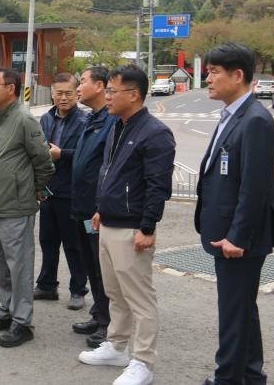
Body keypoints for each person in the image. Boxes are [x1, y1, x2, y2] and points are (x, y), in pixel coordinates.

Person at [78, 64, 175, 385]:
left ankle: (143, 362)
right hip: (108, 222)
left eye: (111, 91)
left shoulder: (155, 133)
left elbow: (157, 186)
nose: (106, 97)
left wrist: (147, 228)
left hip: (133, 229)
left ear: (133, 95)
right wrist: (100, 209)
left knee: (140, 299)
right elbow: (110, 173)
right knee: (114, 293)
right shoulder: (117, 125)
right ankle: (117, 345)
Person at [197, 43, 274, 385]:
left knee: (233, 311)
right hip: (228, 232)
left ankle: (227, 378)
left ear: (239, 75)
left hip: (239, 237)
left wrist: (237, 236)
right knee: (243, 307)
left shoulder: (256, 120)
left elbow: (254, 188)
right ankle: (250, 374)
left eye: (215, 72)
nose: (208, 79)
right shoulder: (232, 114)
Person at [0, 68, 54, 348]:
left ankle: (22, 321)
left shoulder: (23, 118)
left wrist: (36, 187)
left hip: (16, 206)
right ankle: (5, 309)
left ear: (11, 88)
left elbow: (43, 160)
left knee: (19, 267)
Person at [70, 66, 116, 348]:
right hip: (81, 207)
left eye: (82, 82)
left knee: (103, 269)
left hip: (96, 210)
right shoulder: (92, 118)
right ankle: (98, 313)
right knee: (89, 264)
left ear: (100, 86)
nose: (78, 87)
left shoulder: (110, 120)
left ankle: (109, 323)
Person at [35, 73, 89, 309]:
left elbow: (89, 156)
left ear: (77, 93)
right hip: (48, 190)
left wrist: (62, 154)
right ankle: (47, 285)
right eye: (59, 93)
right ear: (52, 93)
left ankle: (78, 289)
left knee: (73, 243)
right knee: (47, 240)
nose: (63, 97)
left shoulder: (85, 121)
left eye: (68, 92)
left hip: (71, 191)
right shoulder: (46, 119)